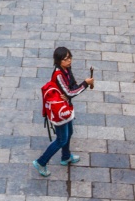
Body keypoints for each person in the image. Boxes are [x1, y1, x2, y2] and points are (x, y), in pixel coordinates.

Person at [33, 46, 94, 177]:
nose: (69, 60)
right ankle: (41, 162)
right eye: (66, 59)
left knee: (69, 132)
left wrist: (74, 90)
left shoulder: (66, 70)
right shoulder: (58, 74)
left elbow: (72, 87)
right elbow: (69, 92)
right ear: (59, 61)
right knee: (61, 139)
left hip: (66, 108)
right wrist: (85, 84)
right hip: (59, 111)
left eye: (70, 57)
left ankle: (65, 157)